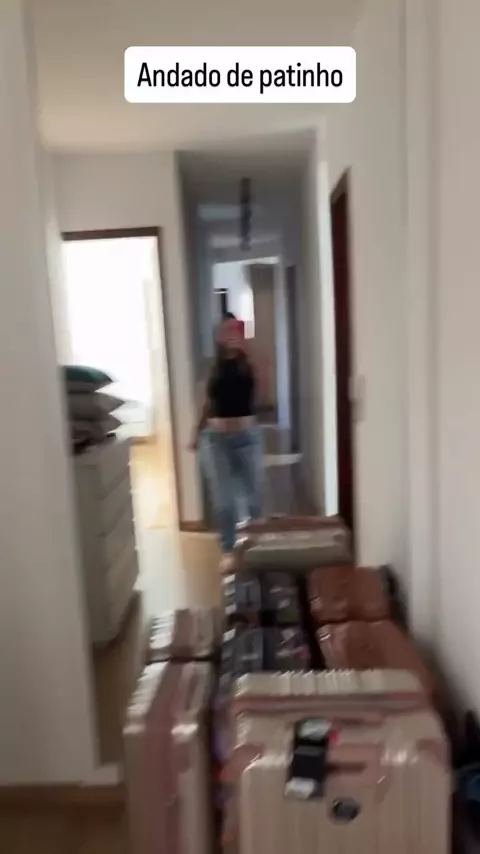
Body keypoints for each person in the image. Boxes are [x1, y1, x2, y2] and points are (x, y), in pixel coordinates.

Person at [190, 313, 270, 573]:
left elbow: (265, 392)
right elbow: (207, 403)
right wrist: (196, 433)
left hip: (248, 437)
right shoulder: (212, 366)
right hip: (215, 440)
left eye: (234, 329)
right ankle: (228, 549)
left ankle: (256, 548)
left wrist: (249, 349)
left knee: (254, 498)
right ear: (219, 335)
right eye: (225, 330)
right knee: (224, 501)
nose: (230, 334)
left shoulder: (250, 363)